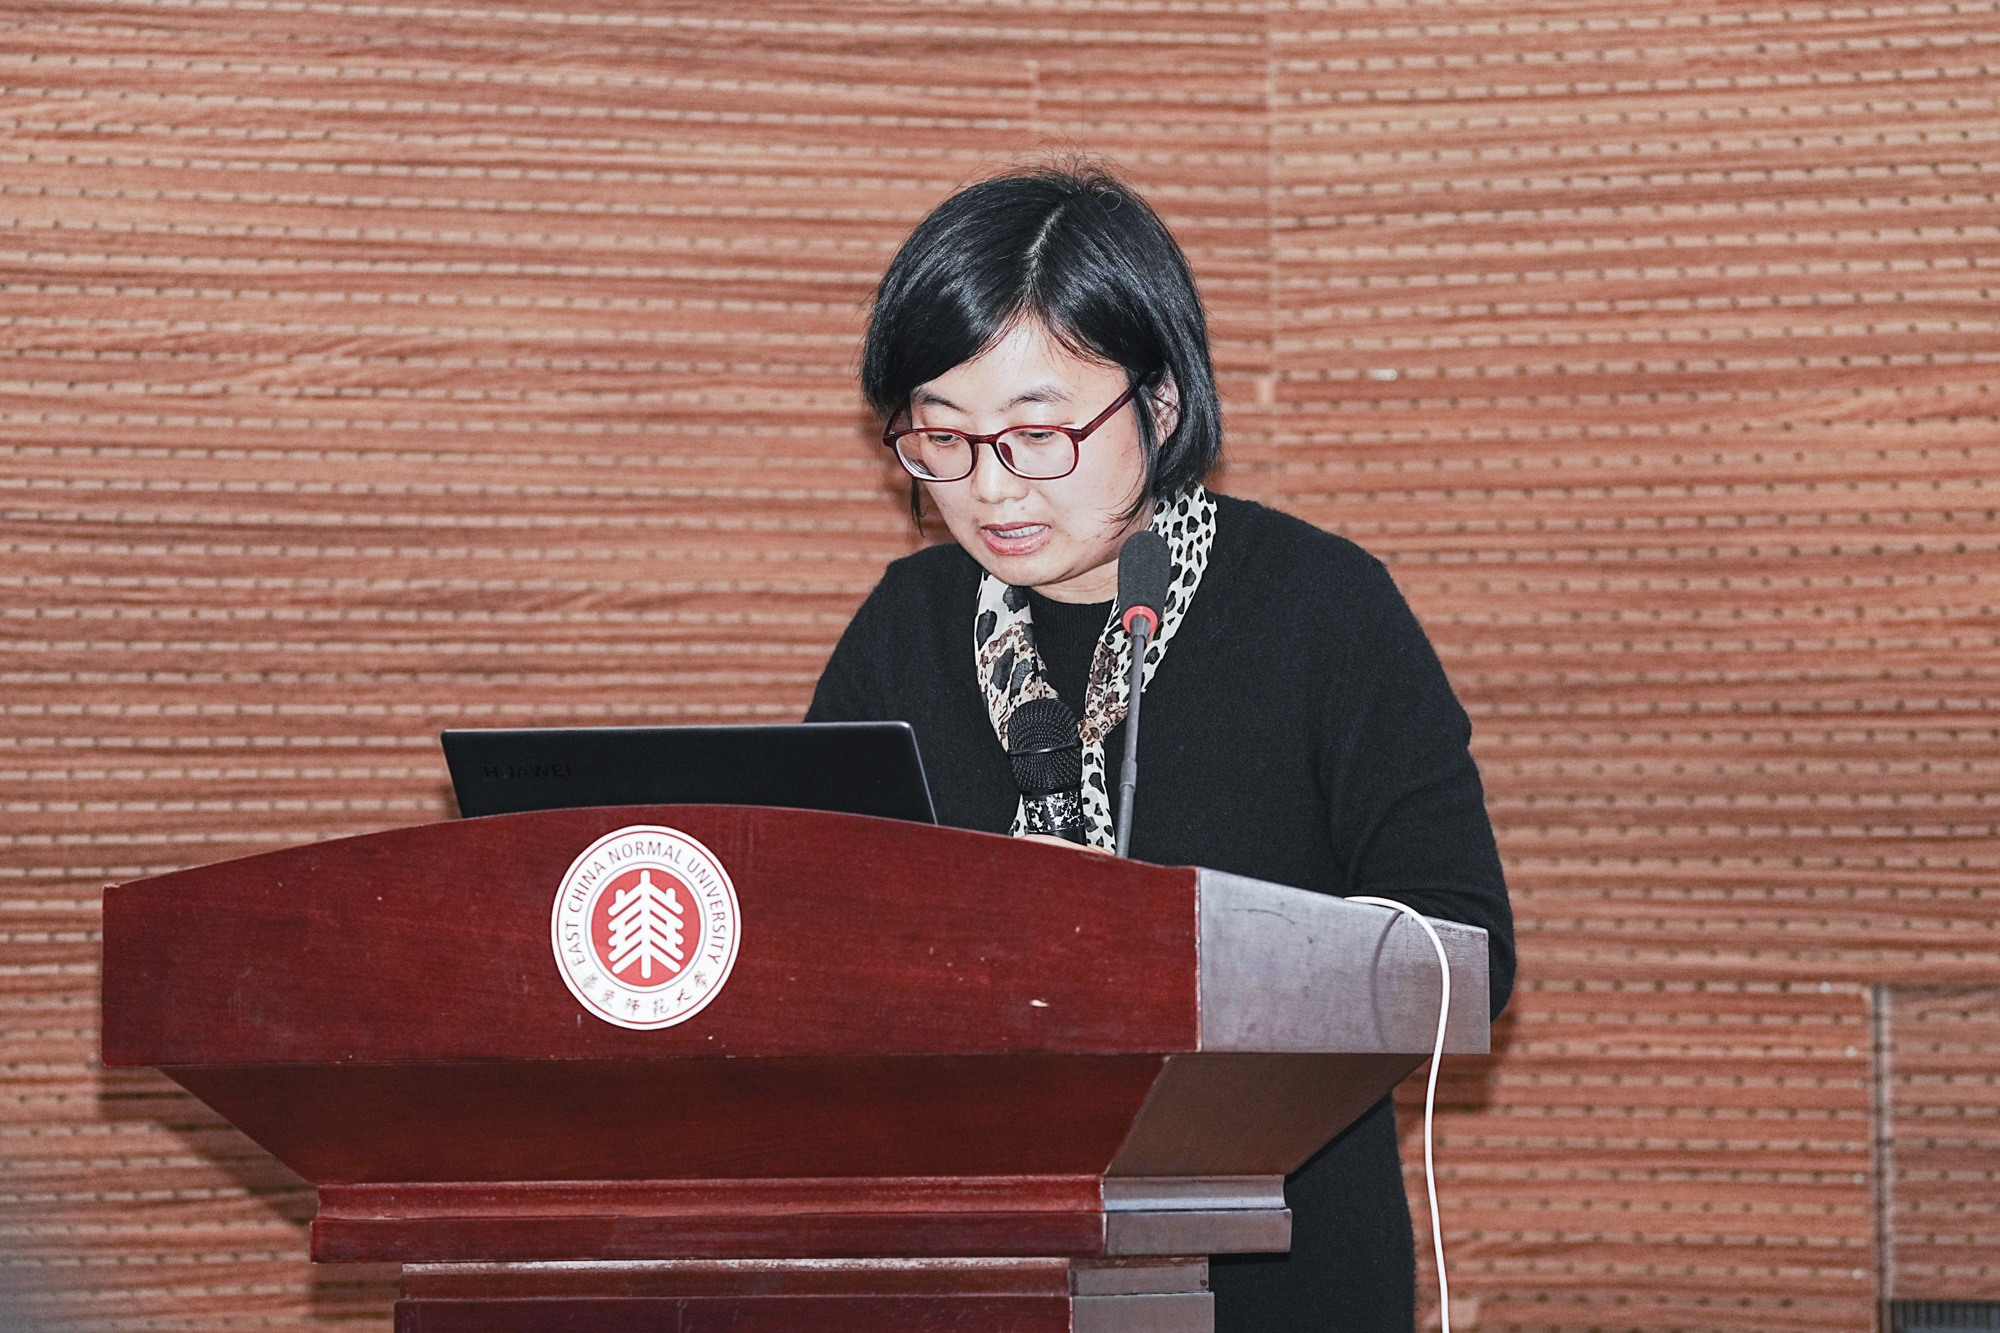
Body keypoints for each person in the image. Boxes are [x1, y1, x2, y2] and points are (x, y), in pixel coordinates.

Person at [805, 162, 1516, 1332]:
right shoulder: (904, 630)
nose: (989, 487)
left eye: (1037, 434)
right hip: (975, 1265)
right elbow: (810, 942)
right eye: (943, 437)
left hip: (1276, 1264)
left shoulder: (1317, 610)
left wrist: (1166, 961)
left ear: (1162, 404)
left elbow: (1461, 958)